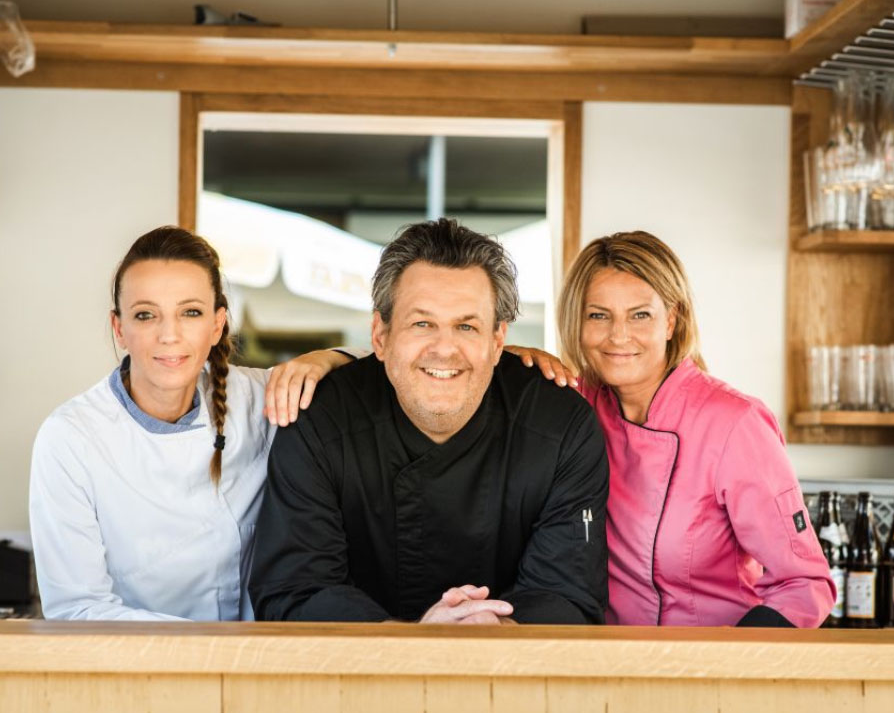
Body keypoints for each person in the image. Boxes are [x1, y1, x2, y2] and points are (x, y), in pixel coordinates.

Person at [249, 218, 609, 625]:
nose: (444, 349)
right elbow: (295, 591)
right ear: (380, 336)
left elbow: (570, 594)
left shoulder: (561, 425)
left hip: (512, 675)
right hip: (358, 677)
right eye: (422, 323)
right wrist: (406, 643)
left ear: (496, 342)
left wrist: (493, 628)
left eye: (466, 326)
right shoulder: (321, 420)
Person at [511, 231, 835, 627]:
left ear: (672, 320)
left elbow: (804, 583)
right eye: (598, 315)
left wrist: (731, 667)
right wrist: (511, 363)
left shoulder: (735, 423)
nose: (618, 336)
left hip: (710, 666)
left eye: (640, 315)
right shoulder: (578, 409)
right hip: (608, 663)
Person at [29, 226, 350, 621]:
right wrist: (206, 652)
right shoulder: (70, 439)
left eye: (190, 312)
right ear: (120, 329)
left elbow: (377, 362)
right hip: (136, 669)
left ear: (217, 325)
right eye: (146, 315)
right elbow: (76, 609)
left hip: (260, 663)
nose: (169, 335)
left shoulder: (256, 399)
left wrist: (321, 359)